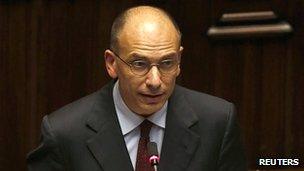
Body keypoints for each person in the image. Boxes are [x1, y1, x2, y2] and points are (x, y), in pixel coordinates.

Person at [27, 5, 247, 171]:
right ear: (111, 63)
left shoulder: (218, 122)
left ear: (179, 60)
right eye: (139, 64)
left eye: (167, 63)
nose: (154, 81)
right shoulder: (64, 134)